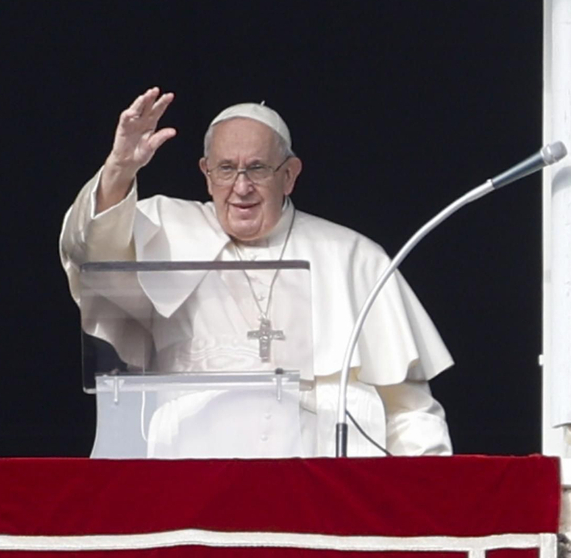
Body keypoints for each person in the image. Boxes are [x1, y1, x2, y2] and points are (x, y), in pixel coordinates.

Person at [60, 89, 455, 456]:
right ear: (206, 173)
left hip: (324, 484)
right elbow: (89, 253)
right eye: (226, 169)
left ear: (290, 175)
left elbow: (409, 411)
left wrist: (430, 491)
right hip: (196, 476)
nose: (242, 186)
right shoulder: (163, 229)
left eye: (257, 168)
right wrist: (119, 170)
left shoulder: (353, 257)